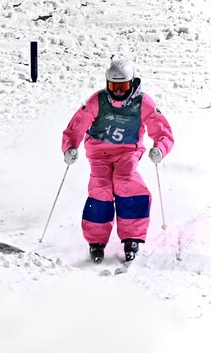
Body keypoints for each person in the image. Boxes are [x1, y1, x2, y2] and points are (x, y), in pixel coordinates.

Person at [61, 59, 174, 263]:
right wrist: (70, 147)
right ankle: (96, 240)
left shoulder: (143, 103)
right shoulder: (97, 101)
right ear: (107, 83)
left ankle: (132, 236)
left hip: (127, 152)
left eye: (123, 87)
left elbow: (162, 130)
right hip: (99, 152)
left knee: (126, 181)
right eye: (114, 87)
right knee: (100, 187)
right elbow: (76, 126)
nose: (119, 93)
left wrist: (160, 148)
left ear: (132, 84)